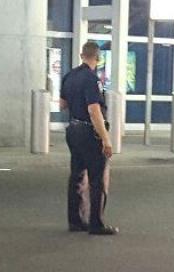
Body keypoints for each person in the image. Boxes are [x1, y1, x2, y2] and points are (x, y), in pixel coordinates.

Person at [59, 41, 117, 236]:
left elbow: (62, 105)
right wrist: (106, 139)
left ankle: (75, 221)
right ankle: (96, 224)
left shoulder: (69, 76)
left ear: (81, 55)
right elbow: (94, 110)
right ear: (98, 58)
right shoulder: (92, 79)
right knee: (97, 179)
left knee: (76, 176)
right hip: (89, 132)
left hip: (73, 130)